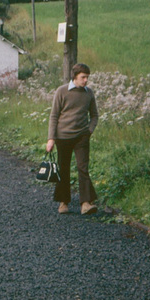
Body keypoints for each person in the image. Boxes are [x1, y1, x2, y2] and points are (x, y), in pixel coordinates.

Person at [46, 63, 99, 215]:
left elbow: (94, 115)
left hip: (81, 136)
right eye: (83, 77)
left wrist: (89, 130)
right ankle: (64, 202)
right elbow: (54, 115)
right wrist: (51, 139)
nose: (86, 81)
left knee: (83, 168)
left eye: (87, 77)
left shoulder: (89, 93)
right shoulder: (62, 91)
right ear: (75, 77)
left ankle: (86, 203)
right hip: (63, 136)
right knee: (63, 169)